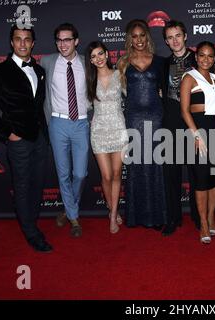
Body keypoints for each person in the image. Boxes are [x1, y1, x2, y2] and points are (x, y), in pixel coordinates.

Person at [0, 25, 52, 252]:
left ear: (33, 43)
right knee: (22, 186)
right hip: (18, 141)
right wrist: (8, 135)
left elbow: (38, 107)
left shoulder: (40, 71)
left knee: (37, 184)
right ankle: (31, 233)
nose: (22, 43)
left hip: (40, 139)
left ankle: (32, 221)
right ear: (12, 43)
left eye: (27, 39)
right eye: (18, 39)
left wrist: (44, 134)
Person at [41, 23, 90, 238]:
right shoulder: (47, 62)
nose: (63, 44)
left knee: (80, 173)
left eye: (67, 39)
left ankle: (67, 209)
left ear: (76, 41)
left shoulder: (87, 64)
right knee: (63, 174)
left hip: (81, 123)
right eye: (59, 40)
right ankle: (73, 218)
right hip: (58, 123)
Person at [117, 19, 166, 228]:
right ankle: (137, 215)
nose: (138, 40)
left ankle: (157, 216)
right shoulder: (123, 63)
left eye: (142, 35)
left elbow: (166, 91)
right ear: (130, 38)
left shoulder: (160, 61)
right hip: (134, 118)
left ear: (147, 36)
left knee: (155, 164)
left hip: (156, 116)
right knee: (136, 165)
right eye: (134, 36)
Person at [180, 41, 215, 244]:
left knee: (214, 178)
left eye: (209, 56)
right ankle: (203, 223)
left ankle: (211, 217)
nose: (206, 59)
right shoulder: (189, 78)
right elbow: (184, 110)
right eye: (202, 55)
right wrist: (196, 135)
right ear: (196, 57)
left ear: (213, 58)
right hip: (196, 132)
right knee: (200, 180)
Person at [161, 20, 200, 236]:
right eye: (170, 37)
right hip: (170, 123)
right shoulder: (163, 65)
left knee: (197, 173)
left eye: (178, 35)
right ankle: (173, 218)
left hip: (194, 123)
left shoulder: (200, 58)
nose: (175, 40)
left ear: (185, 36)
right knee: (171, 174)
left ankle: (197, 216)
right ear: (166, 41)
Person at [85, 41, 128, 234]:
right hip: (99, 130)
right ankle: (112, 209)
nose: (98, 59)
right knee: (106, 175)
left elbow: (132, 95)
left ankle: (113, 216)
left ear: (107, 54)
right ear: (91, 61)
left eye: (100, 54)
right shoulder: (89, 80)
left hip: (119, 128)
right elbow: (85, 106)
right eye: (93, 56)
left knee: (117, 174)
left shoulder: (119, 75)